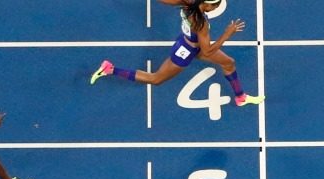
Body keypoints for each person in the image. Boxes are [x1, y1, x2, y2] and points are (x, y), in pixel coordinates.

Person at [89, 0, 265, 107]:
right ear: (208, 5)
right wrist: (228, 33)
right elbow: (208, 50)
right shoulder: (200, 23)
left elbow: (166, 1)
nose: (214, 10)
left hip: (191, 43)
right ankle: (110, 69)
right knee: (156, 79)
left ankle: (241, 97)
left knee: (229, 62)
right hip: (186, 51)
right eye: (214, 7)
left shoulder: (189, 3)